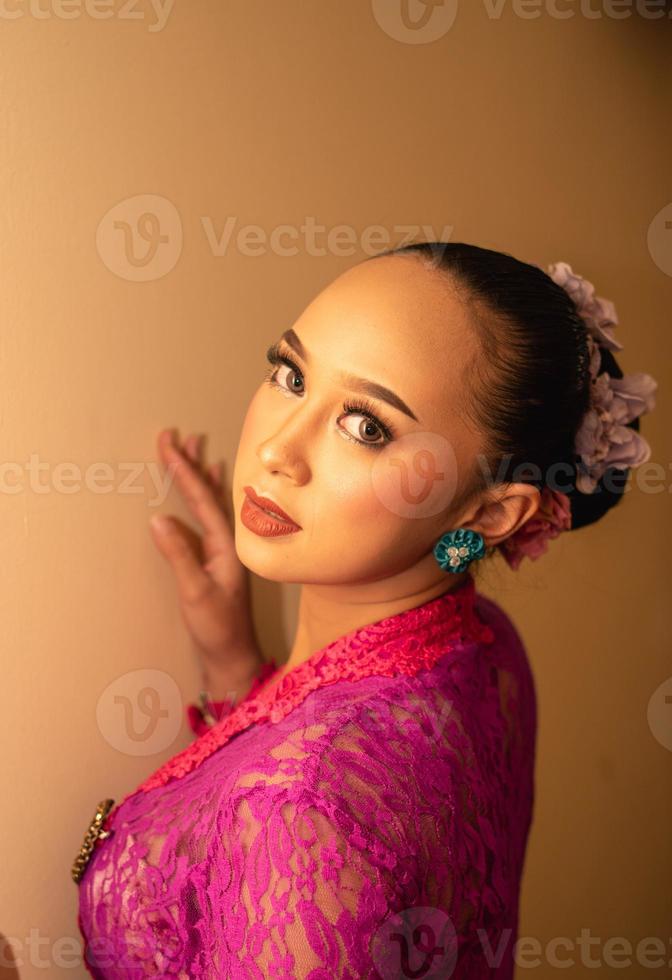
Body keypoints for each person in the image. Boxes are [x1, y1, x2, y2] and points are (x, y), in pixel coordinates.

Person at [74, 242, 657, 978]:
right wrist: (235, 667)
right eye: (291, 375)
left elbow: (328, 805)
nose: (279, 450)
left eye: (367, 426)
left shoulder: (303, 812)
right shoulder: (481, 648)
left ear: (490, 512)